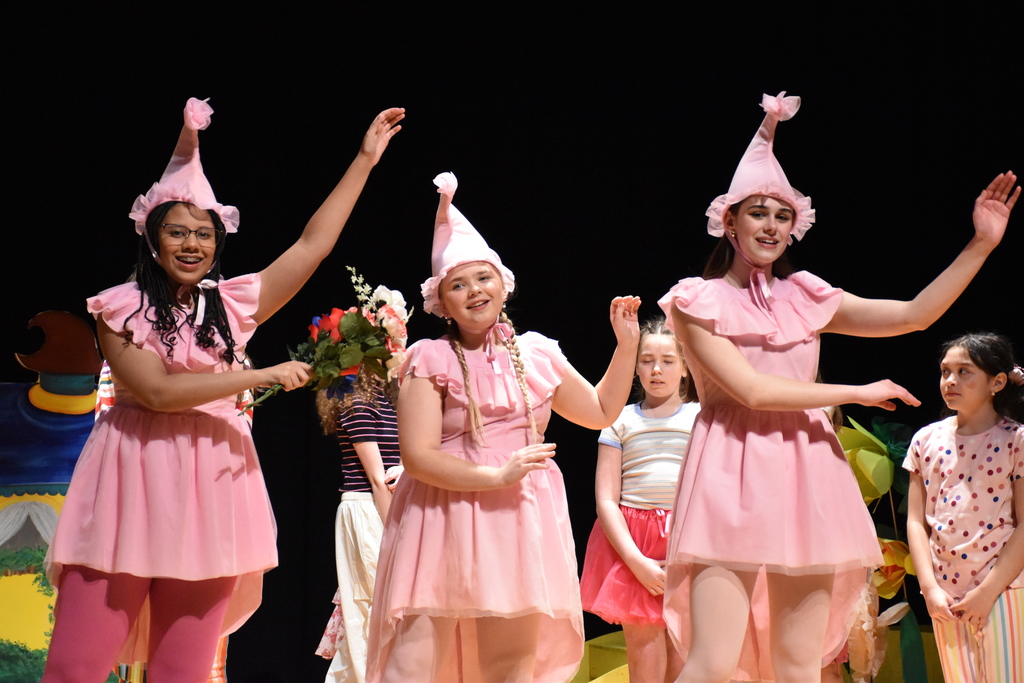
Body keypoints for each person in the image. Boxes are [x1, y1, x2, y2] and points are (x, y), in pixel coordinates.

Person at [657, 92, 1018, 682]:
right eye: (757, 213)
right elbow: (753, 391)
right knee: (712, 661)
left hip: (805, 470)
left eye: (781, 215)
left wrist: (982, 243)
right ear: (729, 220)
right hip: (731, 470)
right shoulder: (696, 301)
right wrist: (855, 390)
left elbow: (914, 314)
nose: (771, 226)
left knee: (801, 661)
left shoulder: (806, 295)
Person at [42, 98, 404, 682]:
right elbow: (157, 393)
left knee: (180, 672)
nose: (191, 244)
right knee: (74, 669)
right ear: (153, 241)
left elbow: (312, 246)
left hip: (211, 486)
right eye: (177, 233)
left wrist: (363, 161)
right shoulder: (120, 308)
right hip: (129, 484)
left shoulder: (229, 304)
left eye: (203, 234)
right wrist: (259, 376)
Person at [365, 172, 640, 683]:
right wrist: (496, 475)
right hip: (441, 515)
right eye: (458, 284)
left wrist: (626, 348)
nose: (474, 292)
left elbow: (601, 411)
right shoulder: (429, 358)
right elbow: (420, 456)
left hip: (518, 516)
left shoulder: (536, 352)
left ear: (503, 283)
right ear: (440, 301)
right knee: (415, 662)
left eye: (483, 278)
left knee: (509, 666)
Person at [579, 316, 701, 683]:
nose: (657, 370)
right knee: (645, 662)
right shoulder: (619, 420)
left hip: (689, 541)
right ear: (635, 367)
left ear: (685, 368)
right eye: (647, 360)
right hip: (632, 544)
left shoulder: (702, 417)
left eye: (668, 360)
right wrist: (636, 560)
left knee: (685, 660)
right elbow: (605, 500)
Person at [905, 333, 1024, 681]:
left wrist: (988, 592)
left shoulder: (1015, 440)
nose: (951, 381)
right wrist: (929, 589)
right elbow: (916, 521)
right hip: (945, 595)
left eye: (964, 371)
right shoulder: (926, 440)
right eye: (945, 372)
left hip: (1001, 589)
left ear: (997, 382)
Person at [314, 366, 403, 683]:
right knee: (372, 613)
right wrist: (397, 535)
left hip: (389, 507)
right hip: (368, 508)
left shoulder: (388, 397)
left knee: (388, 613)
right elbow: (377, 479)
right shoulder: (356, 398)